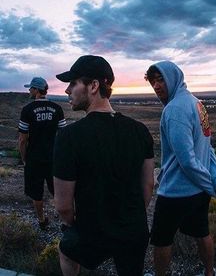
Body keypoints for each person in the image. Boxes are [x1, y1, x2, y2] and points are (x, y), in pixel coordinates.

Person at [53, 55, 155, 276]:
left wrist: (75, 226)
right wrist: (129, 217)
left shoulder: (68, 137)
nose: (67, 90)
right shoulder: (140, 130)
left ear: (94, 86)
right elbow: (147, 186)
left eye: (73, 83)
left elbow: (63, 206)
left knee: (67, 250)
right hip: (133, 230)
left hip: (92, 231)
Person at [145, 61, 216, 276]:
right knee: (202, 232)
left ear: (174, 77)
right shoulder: (198, 104)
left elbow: (187, 160)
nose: (156, 86)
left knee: (161, 240)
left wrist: (210, 184)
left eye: (161, 79)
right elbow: (207, 147)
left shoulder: (174, 110)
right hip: (198, 191)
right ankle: (210, 272)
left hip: (175, 191)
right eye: (153, 81)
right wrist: (215, 180)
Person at [18, 77, 66, 229]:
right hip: (54, 158)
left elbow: (22, 140)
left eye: (31, 88)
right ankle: (66, 220)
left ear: (37, 90)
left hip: (34, 159)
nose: (29, 91)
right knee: (57, 191)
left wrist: (24, 158)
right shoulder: (57, 108)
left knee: (36, 192)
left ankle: (42, 220)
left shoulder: (27, 110)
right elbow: (63, 135)